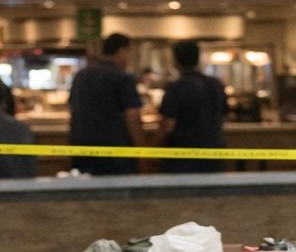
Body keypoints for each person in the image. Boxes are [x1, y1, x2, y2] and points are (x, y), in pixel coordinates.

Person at [67, 33, 145, 177]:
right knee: (119, 194)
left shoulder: (81, 75)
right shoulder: (122, 78)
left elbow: (72, 107)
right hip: (115, 150)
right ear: (122, 51)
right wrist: (141, 151)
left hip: (81, 149)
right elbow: (132, 116)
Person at [156, 40, 227, 174]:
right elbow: (223, 115)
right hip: (214, 150)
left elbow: (168, 126)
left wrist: (156, 148)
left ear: (176, 60)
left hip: (183, 154)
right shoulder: (216, 84)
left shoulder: (176, 87)